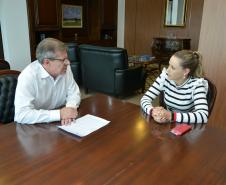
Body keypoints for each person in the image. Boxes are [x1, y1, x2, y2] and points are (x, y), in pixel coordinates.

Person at [14, 38, 81, 125]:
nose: (68, 63)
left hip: (61, 122)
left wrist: (70, 109)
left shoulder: (65, 68)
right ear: (46, 62)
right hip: (37, 127)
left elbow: (74, 93)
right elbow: (21, 115)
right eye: (63, 60)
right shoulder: (28, 76)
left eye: (67, 59)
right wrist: (59, 114)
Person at [140, 50, 208, 124]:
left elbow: (203, 116)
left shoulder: (197, 85)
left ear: (185, 71)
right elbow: (145, 98)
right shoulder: (165, 77)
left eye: (173, 68)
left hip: (188, 126)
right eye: (169, 64)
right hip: (168, 123)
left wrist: (170, 116)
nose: (167, 70)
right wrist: (152, 111)